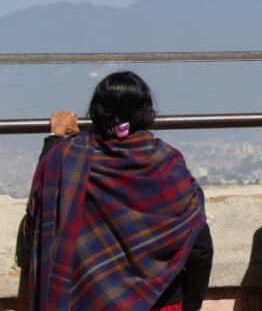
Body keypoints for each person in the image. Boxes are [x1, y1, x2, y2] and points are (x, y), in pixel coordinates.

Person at [17, 71, 212, 311]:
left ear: (96, 113)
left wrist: (54, 138)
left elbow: (47, 205)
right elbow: (200, 247)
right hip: (162, 303)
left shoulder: (70, 158)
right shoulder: (168, 165)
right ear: (147, 113)